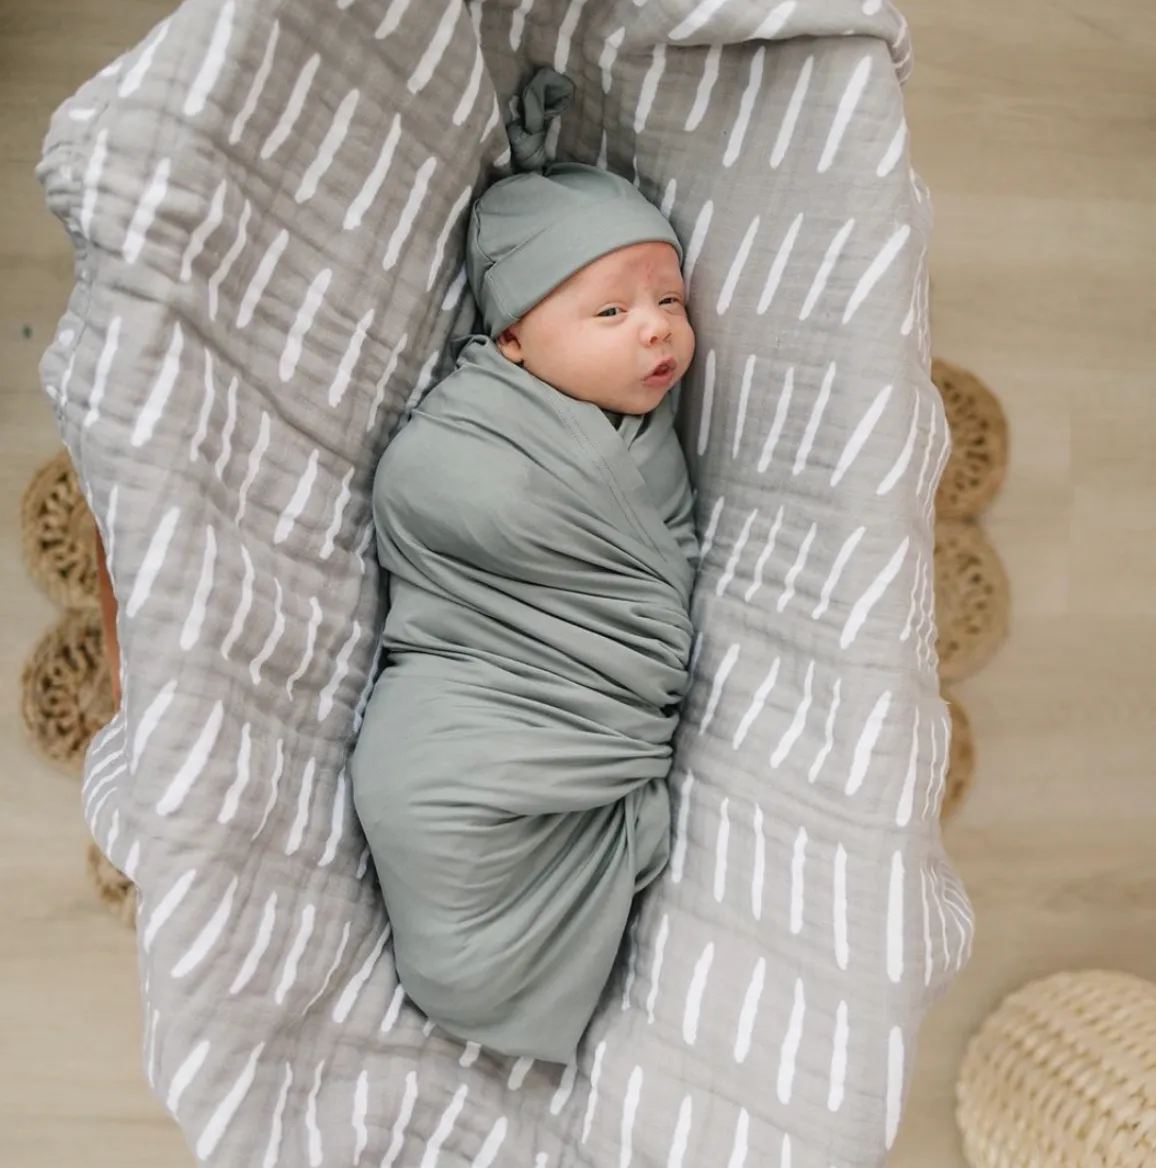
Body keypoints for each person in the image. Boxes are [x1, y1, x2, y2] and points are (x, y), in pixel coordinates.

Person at [350, 67, 699, 1063]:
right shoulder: (473, 423)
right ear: (510, 341)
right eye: (610, 312)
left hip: (578, 714)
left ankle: (512, 954)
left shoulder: (650, 445)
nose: (656, 325)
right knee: (428, 791)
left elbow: (654, 584)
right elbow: (418, 494)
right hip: (473, 704)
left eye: (669, 299)